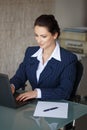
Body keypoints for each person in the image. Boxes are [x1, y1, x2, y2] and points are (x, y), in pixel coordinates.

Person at [10, 14, 77, 102]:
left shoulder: (68, 59)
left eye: (43, 36)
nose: (38, 40)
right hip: (34, 106)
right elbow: (20, 77)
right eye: (36, 35)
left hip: (55, 106)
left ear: (55, 35)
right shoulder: (30, 52)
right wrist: (12, 86)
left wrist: (37, 93)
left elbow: (65, 91)